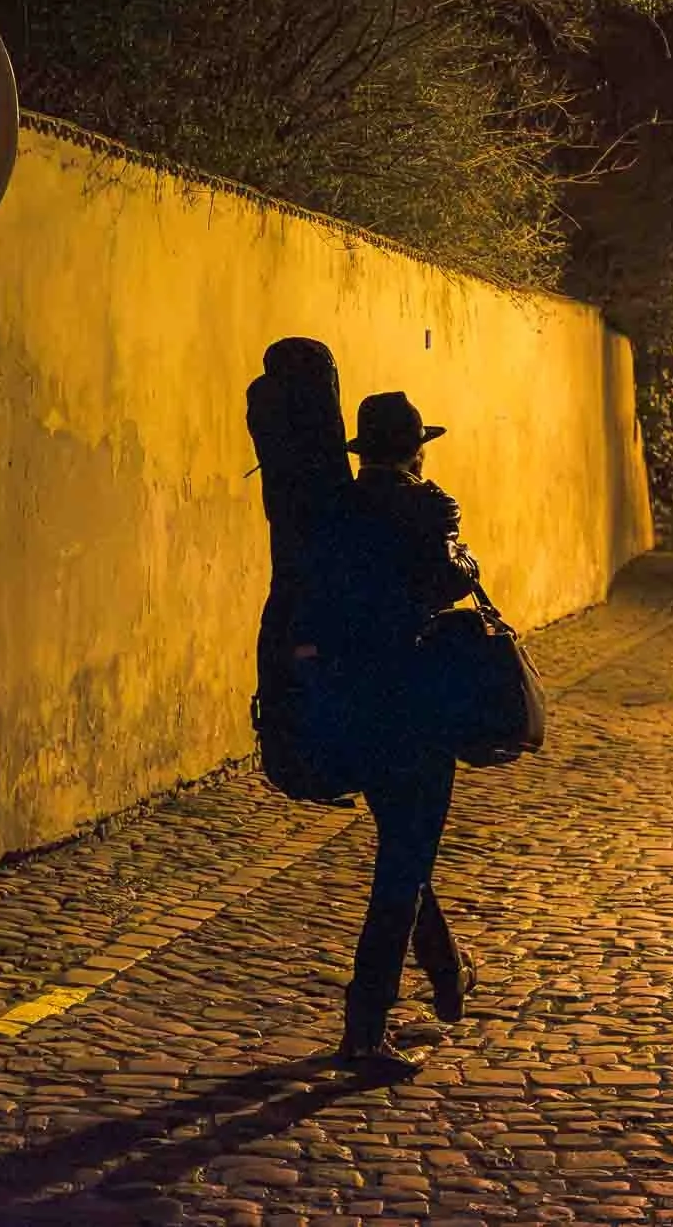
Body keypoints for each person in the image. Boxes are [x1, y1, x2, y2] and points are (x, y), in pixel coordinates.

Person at [304, 391, 481, 1070]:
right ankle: (364, 1026)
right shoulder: (428, 503)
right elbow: (446, 578)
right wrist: (471, 565)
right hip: (416, 701)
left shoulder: (336, 507)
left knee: (404, 848)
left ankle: (447, 972)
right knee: (404, 863)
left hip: (351, 701)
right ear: (415, 447)